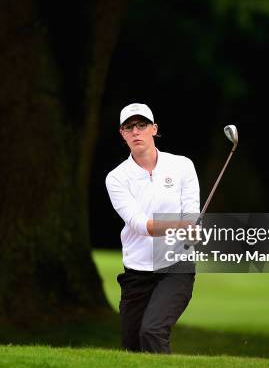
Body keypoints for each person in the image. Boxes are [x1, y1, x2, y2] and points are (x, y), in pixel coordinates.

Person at [105, 102, 200, 354]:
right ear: (122, 134)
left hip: (175, 267)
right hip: (137, 273)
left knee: (153, 331)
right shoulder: (116, 177)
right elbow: (139, 224)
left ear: (154, 129)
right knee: (132, 346)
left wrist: (190, 227)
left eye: (142, 125)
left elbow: (191, 213)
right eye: (129, 127)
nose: (136, 131)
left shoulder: (182, 166)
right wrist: (181, 225)